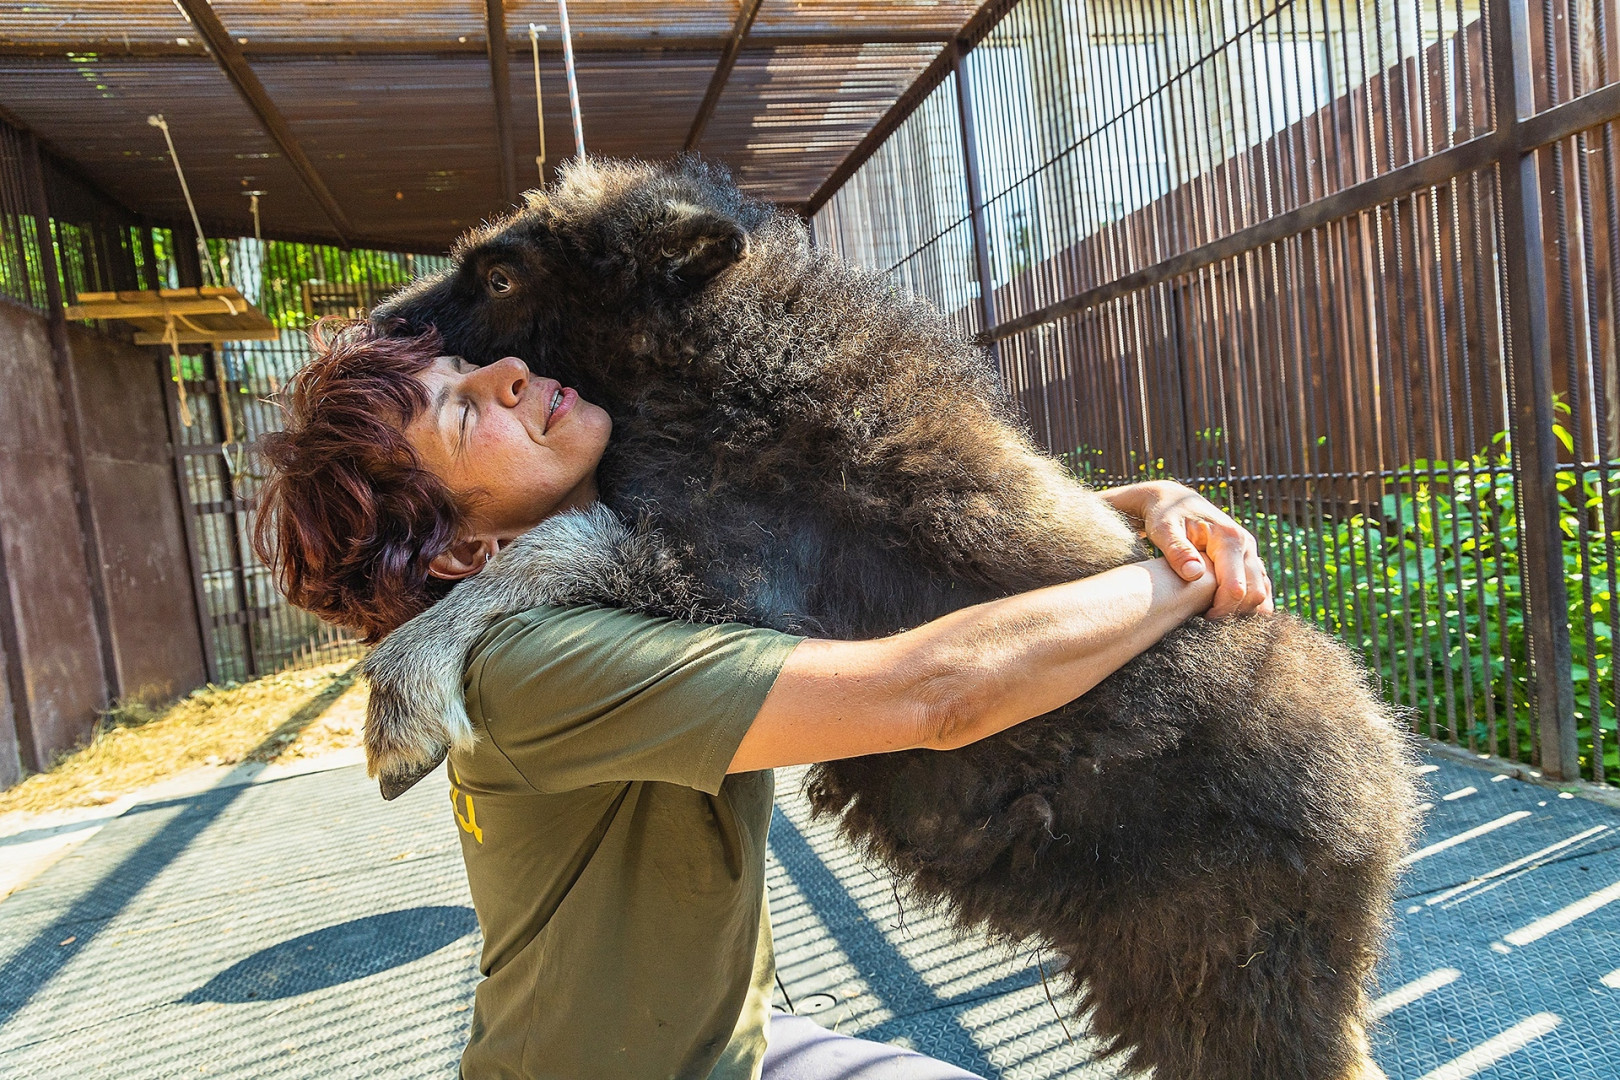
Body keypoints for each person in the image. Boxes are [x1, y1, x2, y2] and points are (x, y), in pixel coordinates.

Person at [253, 321, 1273, 1080]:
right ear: (467, 554)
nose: (506, 373)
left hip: (734, 1046)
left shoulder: (624, 571)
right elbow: (936, 690)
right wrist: (1181, 581)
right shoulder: (531, 660)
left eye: (469, 372)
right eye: (466, 411)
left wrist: (1145, 511)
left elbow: (895, 589)